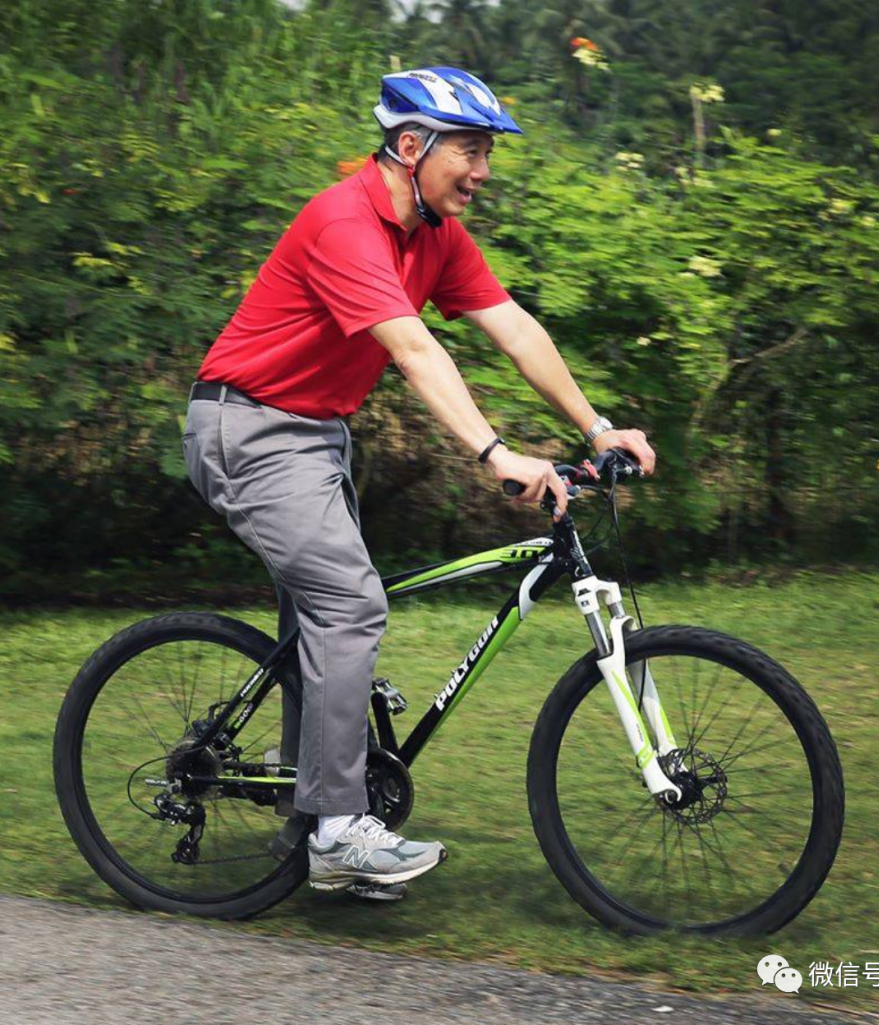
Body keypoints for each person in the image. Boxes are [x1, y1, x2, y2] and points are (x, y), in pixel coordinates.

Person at [181, 67, 656, 902]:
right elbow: (414, 349)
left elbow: (513, 326)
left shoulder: (434, 235)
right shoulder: (345, 221)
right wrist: (495, 453)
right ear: (412, 146)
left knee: (328, 617)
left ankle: (321, 815)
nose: (483, 171)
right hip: (245, 427)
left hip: (316, 434)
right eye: (470, 151)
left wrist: (596, 426)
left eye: (485, 154)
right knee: (351, 604)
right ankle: (336, 832)